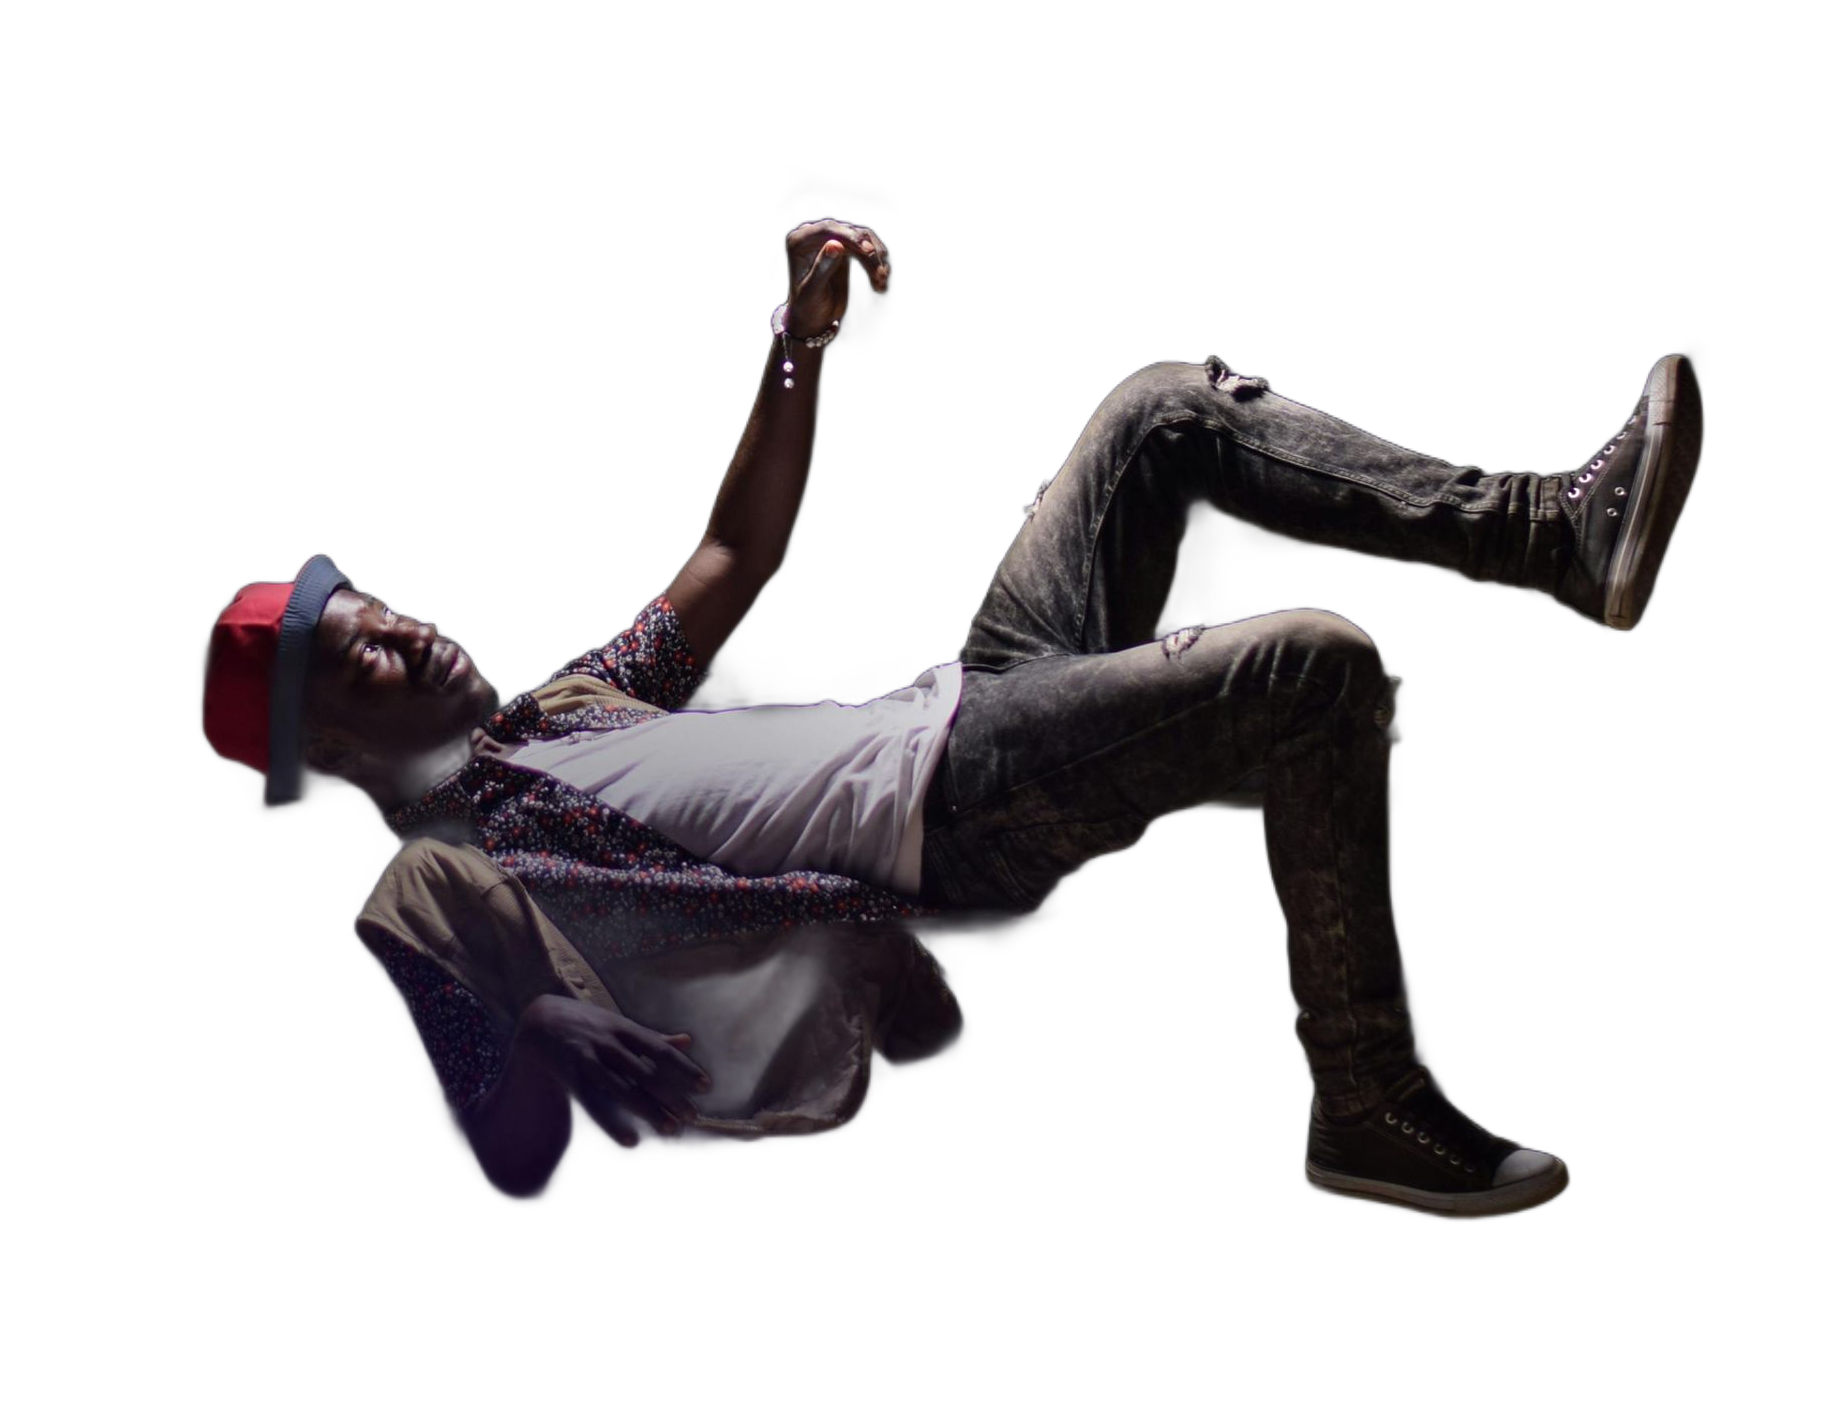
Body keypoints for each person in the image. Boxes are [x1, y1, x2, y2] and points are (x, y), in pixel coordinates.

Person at [200, 217, 1705, 1218]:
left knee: (1163, 409)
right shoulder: (444, 870)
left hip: (966, 701)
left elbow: (734, 557)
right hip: (949, 824)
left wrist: (796, 342)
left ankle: (1549, 538)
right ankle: (1365, 1104)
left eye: (387, 610)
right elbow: (511, 1155)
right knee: (1307, 667)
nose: (411, 629)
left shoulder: (562, 711)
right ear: (328, 753)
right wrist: (534, 1017)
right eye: (367, 658)